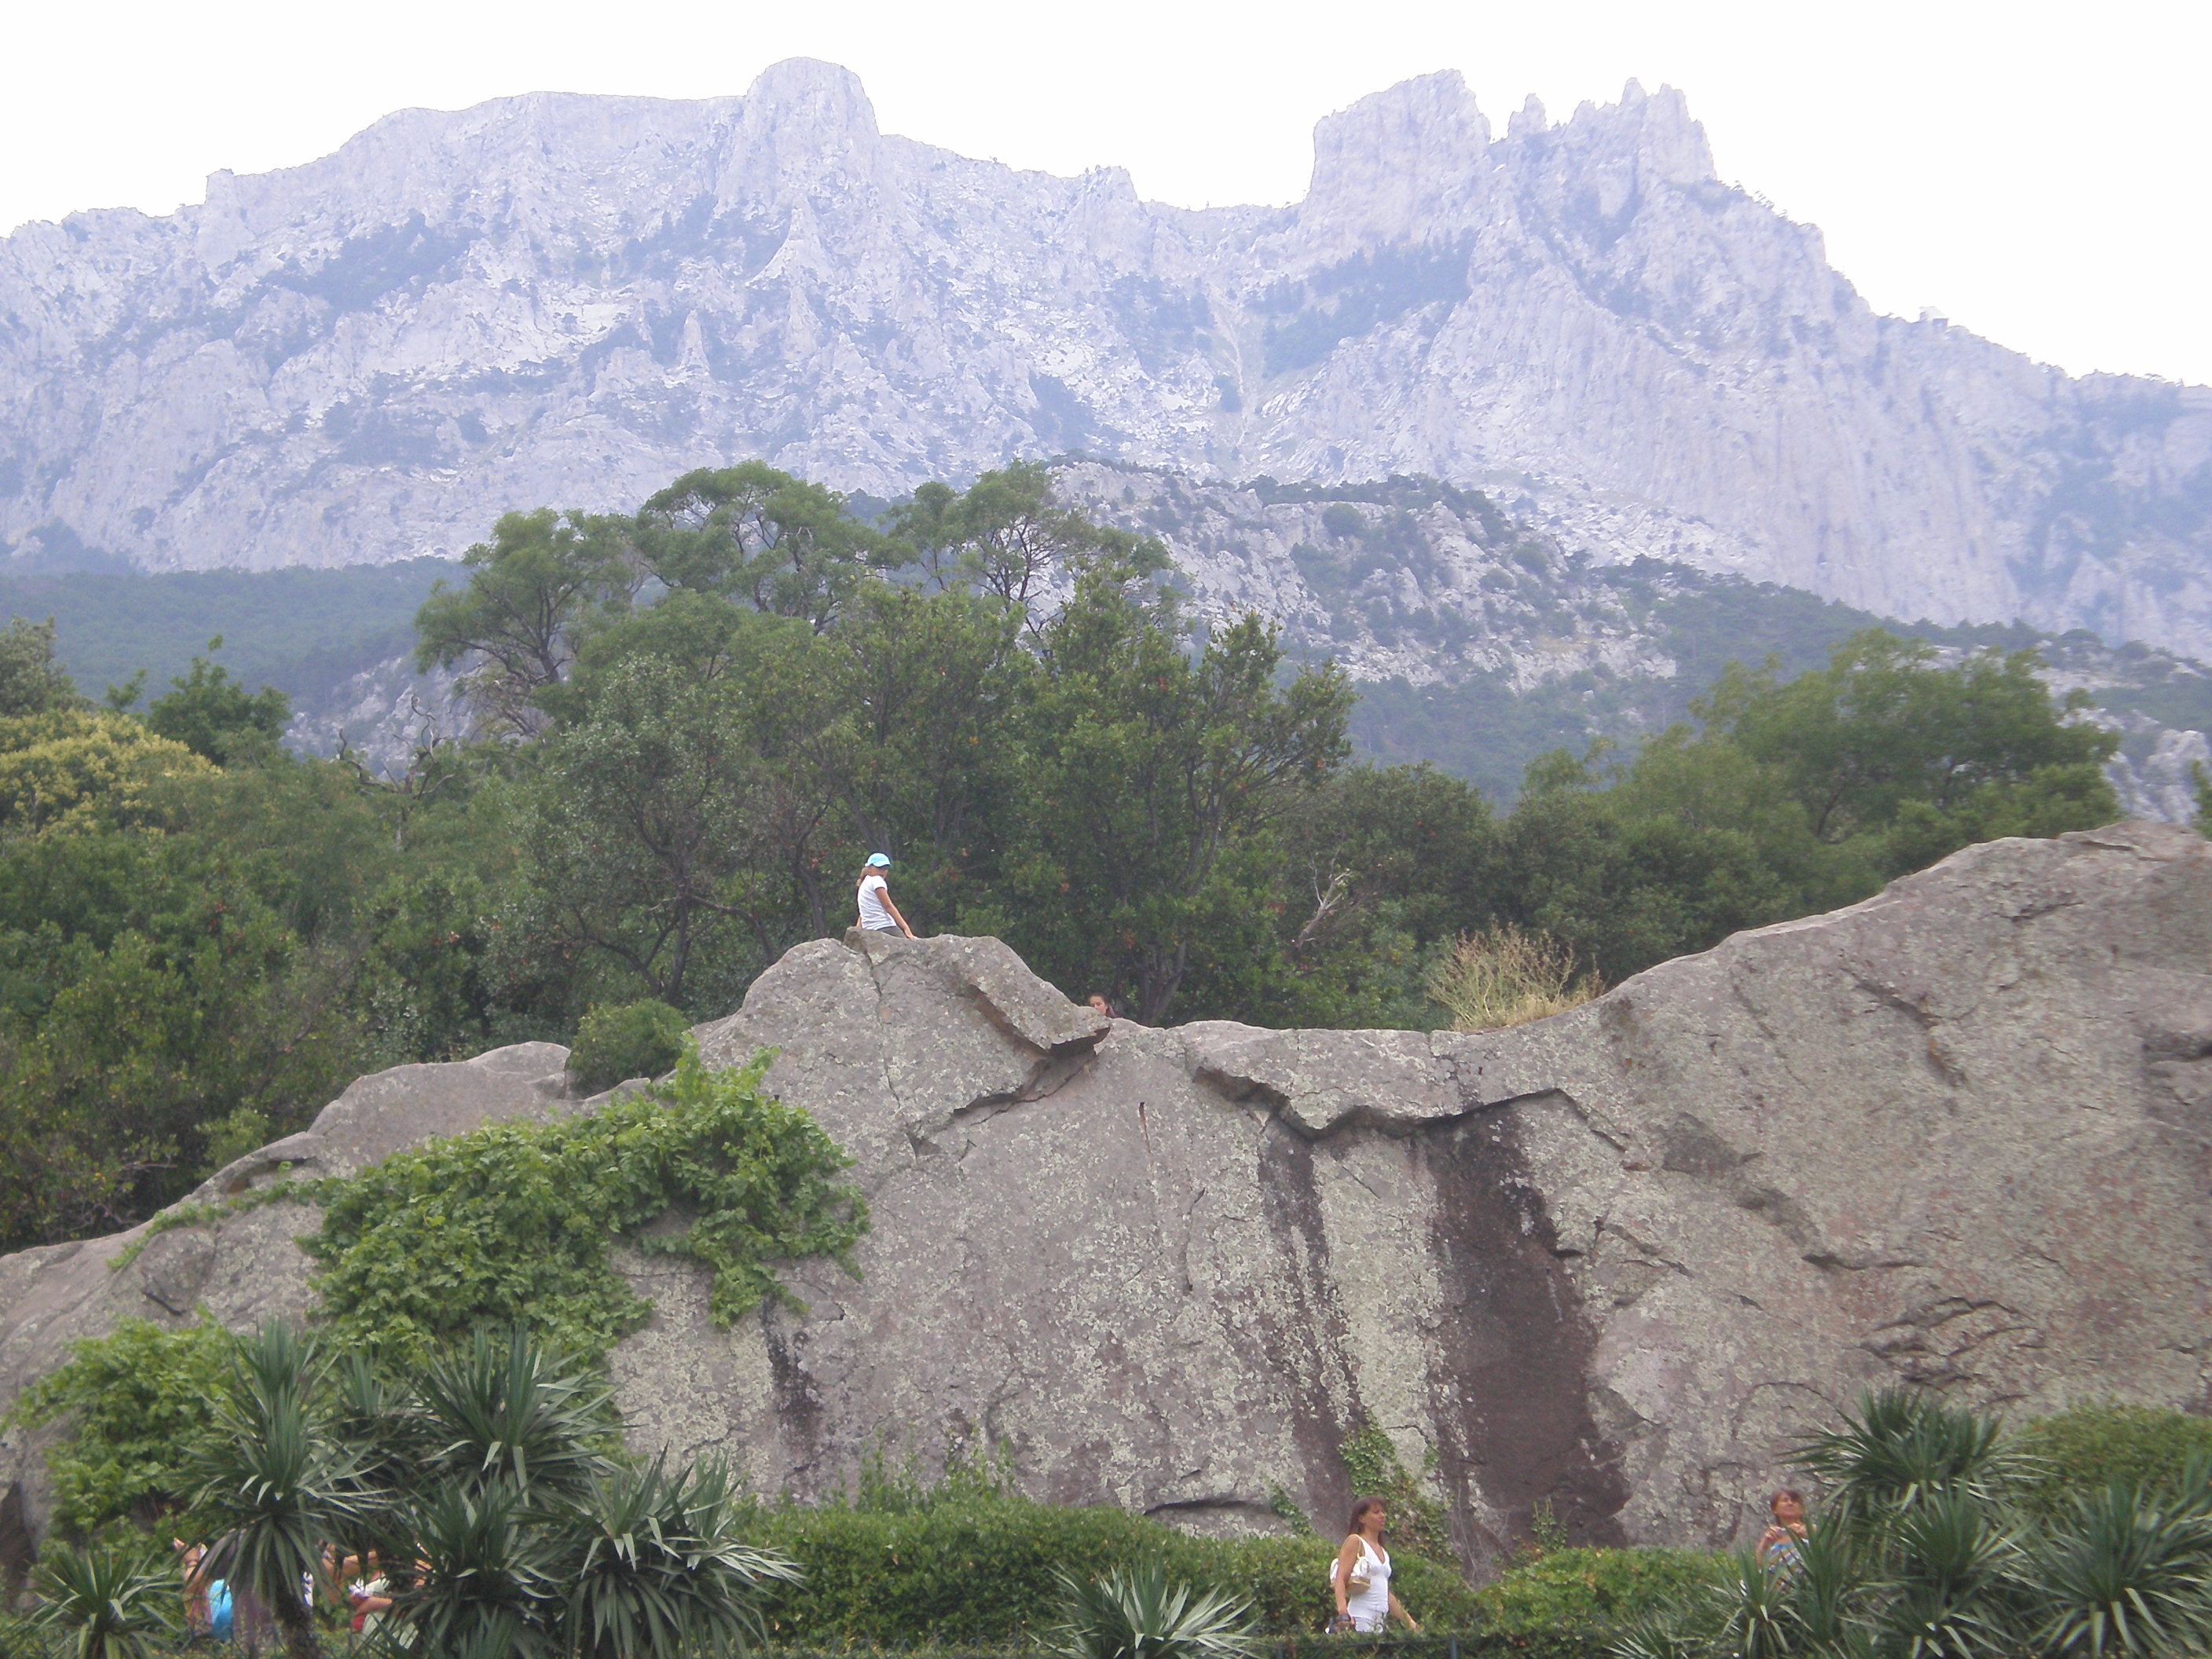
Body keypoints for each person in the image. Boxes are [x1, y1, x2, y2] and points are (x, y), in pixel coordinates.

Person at [1330, 1496, 1419, 1634]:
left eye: (1383, 1512)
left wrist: (1410, 1622)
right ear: (1362, 1519)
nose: (1382, 1516)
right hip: (1360, 1617)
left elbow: (1386, 1593)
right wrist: (1343, 1613)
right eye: (1376, 1512)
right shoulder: (1355, 1541)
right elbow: (1340, 1578)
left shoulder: (1383, 1551)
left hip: (1379, 1622)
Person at [856, 852, 917, 938]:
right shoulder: (877, 880)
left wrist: (858, 930)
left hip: (870, 930)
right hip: (885, 927)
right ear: (870, 868)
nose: (883, 872)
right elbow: (888, 906)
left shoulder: (863, 885)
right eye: (880, 868)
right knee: (910, 948)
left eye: (885, 869)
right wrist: (906, 928)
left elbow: (863, 912)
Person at [1757, 1488, 1809, 1576]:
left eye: (1794, 1501)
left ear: (1801, 1509)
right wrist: (1764, 1544)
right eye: (1785, 1500)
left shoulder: (1812, 1531)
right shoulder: (1772, 1537)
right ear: (1774, 1509)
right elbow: (1759, 1567)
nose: (1790, 1503)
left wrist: (1808, 1536)